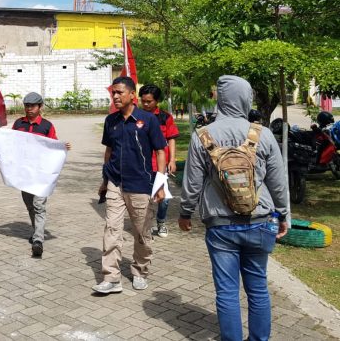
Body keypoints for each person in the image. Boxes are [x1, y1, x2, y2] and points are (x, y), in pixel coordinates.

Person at [179, 75, 289, 341]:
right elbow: (278, 180)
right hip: (260, 221)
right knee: (258, 288)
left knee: (227, 291)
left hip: (220, 226)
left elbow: (192, 182)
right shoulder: (262, 135)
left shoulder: (203, 136)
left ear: (221, 98)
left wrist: (185, 212)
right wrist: (284, 215)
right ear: (246, 98)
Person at [92, 77, 167, 294]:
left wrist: (160, 184)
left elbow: (160, 151)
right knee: (112, 229)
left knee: (141, 232)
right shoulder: (111, 121)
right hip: (116, 182)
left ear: (132, 95)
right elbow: (109, 151)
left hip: (141, 184)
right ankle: (111, 278)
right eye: (113, 93)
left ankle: (140, 271)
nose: (115, 96)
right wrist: (105, 180)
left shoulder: (147, 120)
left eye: (119, 93)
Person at [5, 92, 70, 258]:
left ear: (40, 107)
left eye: (32, 106)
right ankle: (37, 232)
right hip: (25, 174)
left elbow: (53, 145)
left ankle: (38, 241)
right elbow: (10, 142)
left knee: (39, 206)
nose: (29, 109)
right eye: (26, 106)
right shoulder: (19, 124)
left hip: (41, 174)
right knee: (30, 205)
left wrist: (62, 147)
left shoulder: (47, 126)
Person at [138, 84, 179, 238]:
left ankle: (161, 222)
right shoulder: (137, 116)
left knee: (164, 198)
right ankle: (145, 228)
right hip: (142, 165)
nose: (146, 104)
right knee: (144, 198)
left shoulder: (165, 117)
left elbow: (171, 139)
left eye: (149, 101)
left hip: (160, 165)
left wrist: (172, 160)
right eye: (143, 101)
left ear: (157, 101)